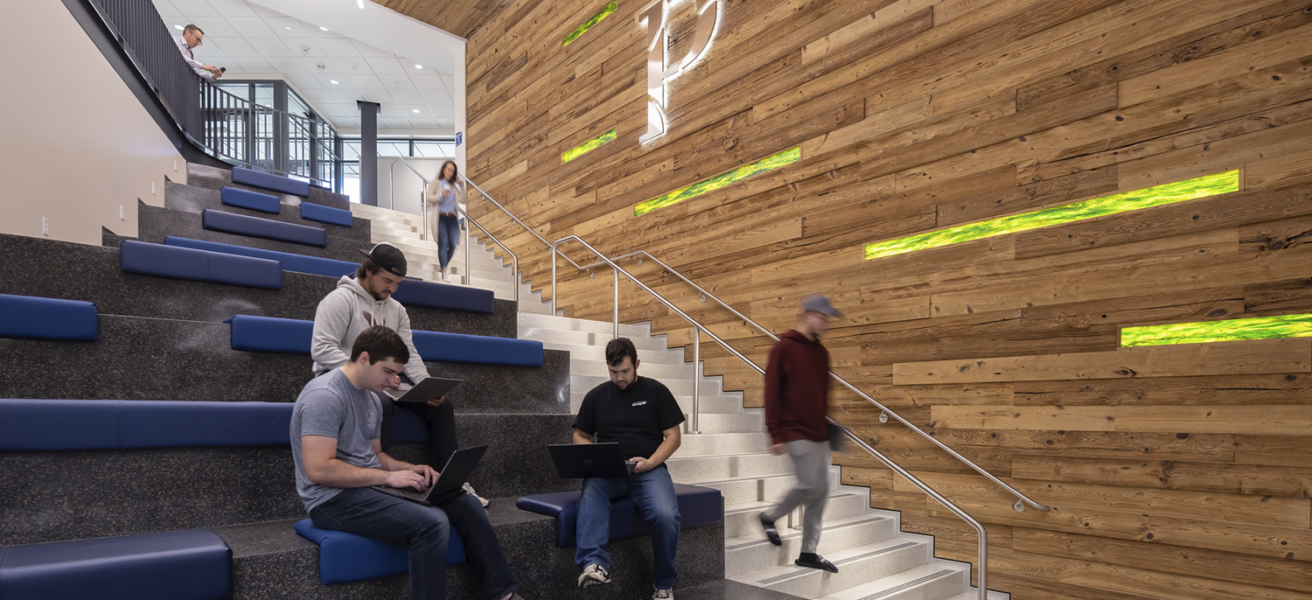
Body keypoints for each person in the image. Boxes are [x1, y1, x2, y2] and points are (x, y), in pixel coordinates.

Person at [291, 325, 523, 600]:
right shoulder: (325, 395)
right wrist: (388, 479)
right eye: (388, 371)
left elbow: (376, 457)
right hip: (331, 500)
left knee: (465, 502)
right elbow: (319, 470)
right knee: (432, 523)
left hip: (369, 488)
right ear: (364, 358)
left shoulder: (372, 400)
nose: (393, 382)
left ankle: (502, 594)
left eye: (397, 374)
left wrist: (407, 469)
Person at [310, 242, 488, 506]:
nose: (392, 289)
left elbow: (410, 354)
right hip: (343, 383)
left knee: (442, 405)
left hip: (381, 381)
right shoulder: (340, 300)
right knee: (379, 401)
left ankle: (453, 484)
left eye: (397, 284)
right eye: (387, 281)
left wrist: (427, 385)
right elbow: (321, 349)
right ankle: (382, 482)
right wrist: (367, 374)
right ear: (368, 271)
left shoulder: (397, 310)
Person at [572, 337, 684, 600]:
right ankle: (595, 565)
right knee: (590, 490)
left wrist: (651, 462)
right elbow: (581, 435)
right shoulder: (596, 396)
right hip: (610, 471)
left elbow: (674, 437)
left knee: (666, 515)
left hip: (649, 469)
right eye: (613, 372)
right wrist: (591, 456)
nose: (619, 378)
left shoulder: (656, 392)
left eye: (625, 371)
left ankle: (664, 584)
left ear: (637, 364)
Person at [758, 295, 842, 573]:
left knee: (822, 491)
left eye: (828, 319)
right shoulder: (783, 348)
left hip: (818, 432)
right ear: (807, 314)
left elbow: (822, 394)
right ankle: (770, 517)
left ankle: (809, 552)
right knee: (808, 485)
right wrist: (775, 432)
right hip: (793, 430)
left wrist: (828, 430)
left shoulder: (822, 352)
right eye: (823, 317)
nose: (826, 323)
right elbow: (771, 392)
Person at [425, 160, 464, 282]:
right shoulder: (435, 182)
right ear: (443, 169)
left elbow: (464, 200)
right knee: (443, 242)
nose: (450, 172)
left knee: (453, 244)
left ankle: (443, 264)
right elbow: (428, 198)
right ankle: (444, 269)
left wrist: (462, 186)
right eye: (448, 169)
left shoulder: (454, 187)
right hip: (440, 217)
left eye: (453, 171)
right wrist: (441, 195)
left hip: (452, 218)